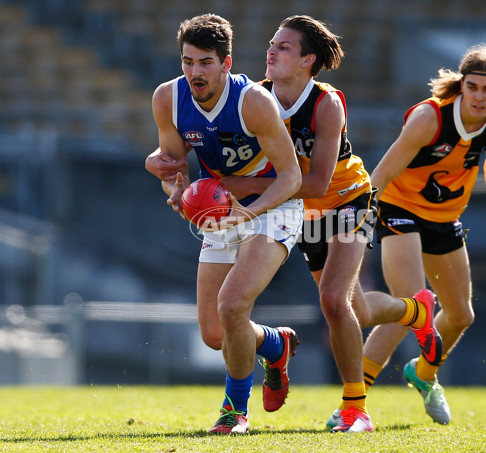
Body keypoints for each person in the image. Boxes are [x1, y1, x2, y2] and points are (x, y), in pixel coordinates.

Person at [148, 15, 443, 433]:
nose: (271, 50)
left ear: (307, 60)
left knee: (334, 303)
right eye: (271, 43)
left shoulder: (324, 103)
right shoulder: (255, 96)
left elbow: (316, 181)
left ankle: (354, 408)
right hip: (292, 205)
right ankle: (415, 311)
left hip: (343, 200)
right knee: (345, 310)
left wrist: (225, 186)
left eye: (283, 47)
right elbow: (182, 167)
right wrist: (172, 180)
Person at [351, 43, 486, 425]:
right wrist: (359, 215)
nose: (480, 96)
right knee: (414, 305)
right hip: (398, 209)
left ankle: (424, 375)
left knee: (461, 315)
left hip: (444, 218)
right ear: (461, 84)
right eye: (473, 87)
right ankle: (353, 404)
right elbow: (383, 172)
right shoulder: (428, 118)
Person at [146, 14, 304, 435]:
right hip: (222, 211)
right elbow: (176, 177)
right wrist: (176, 193)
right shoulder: (168, 99)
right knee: (216, 334)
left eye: (205, 63)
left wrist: (249, 212)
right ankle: (275, 343)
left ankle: (235, 411)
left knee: (233, 305)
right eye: (187, 61)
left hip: (273, 206)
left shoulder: (253, 101)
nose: (195, 72)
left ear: (226, 63)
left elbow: (291, 177)